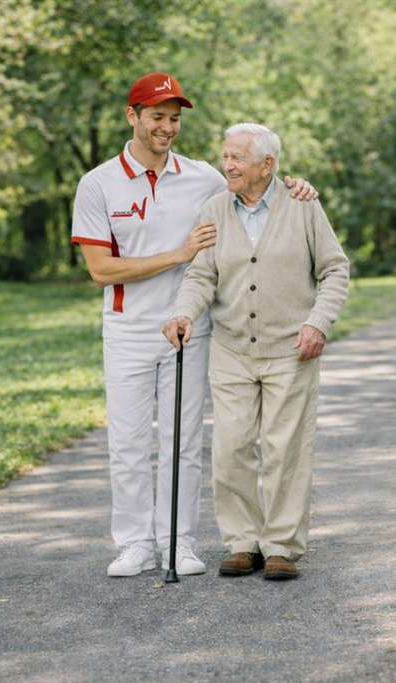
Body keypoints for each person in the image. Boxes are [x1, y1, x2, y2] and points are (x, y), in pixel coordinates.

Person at [72, 72, 317, 578]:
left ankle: (179, 540)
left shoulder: (203, 176)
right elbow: (100, 270)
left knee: (183, 442)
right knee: (130, 442)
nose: (167, 127)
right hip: (128, 330)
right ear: (132, 116)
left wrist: (296, 185)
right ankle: (136, 543)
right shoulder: (98, 184)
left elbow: (256, 183)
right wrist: (178, 255)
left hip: (191, 329)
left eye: (175, 119)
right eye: (157, 117)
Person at [162, 123, 349, 581]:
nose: (227, 164)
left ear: (267, 165)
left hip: (292, 350)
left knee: (286, 449)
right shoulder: (214, 209)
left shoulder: (303, 206)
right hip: (231, 349)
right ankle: (243, 542)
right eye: (225, 155)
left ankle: (282, 544)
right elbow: (201, 275)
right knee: (231, 447)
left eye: (238, 157)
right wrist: (184, 312)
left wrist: (317, 323)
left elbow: (334, 270)